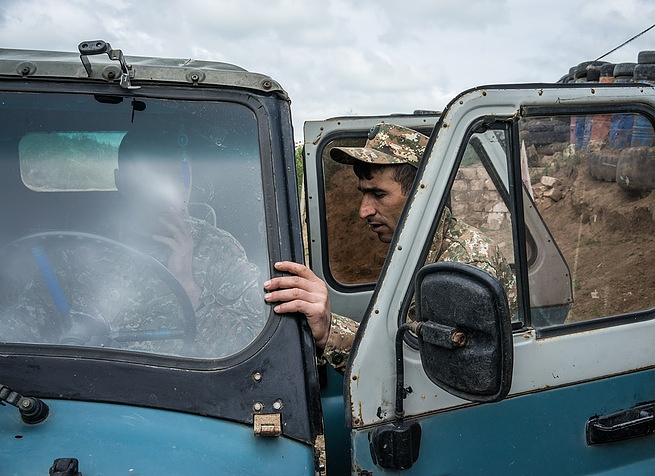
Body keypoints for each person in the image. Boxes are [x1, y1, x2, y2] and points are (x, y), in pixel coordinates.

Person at [264, 123, 516, 371]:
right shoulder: (413, 245)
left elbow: (415, 366)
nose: (364, 211)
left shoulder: (463, 265)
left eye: (379, 195)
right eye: (363, 193)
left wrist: (329, 330)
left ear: (421, 193)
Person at [0, 129, 265, 357]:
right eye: (150, 179)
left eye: (177, 177)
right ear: (121, 181)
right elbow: (22, 329)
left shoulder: (219, 251)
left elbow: (254, 348)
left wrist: (189, 288)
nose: (167, 193)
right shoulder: (78, 250)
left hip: (181, 403)